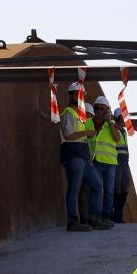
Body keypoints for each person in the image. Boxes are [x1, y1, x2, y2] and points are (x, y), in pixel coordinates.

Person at [58, 87, 97, 232]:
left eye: (82, 95)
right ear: (71, 95)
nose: (81, 98)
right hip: (73, 153)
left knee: (96, 185)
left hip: (82, 154)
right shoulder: (68, 113)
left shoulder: (78, 115)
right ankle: (73, 221)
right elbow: (68, 136)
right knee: (74, 188)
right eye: (78, 95)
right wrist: (87, 132)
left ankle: (93, 219)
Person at [87, 92, 122, 231]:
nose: (98, 111)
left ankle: (106, 218)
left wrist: (109, 121)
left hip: (110, 163)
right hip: (95, 162)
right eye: (96, 108)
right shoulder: (89, 123)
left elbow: (117, 138)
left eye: (102, 109)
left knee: (108, 191)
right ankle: (95, 218)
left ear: (107, 110)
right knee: (97, 189)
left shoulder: (111, 125)